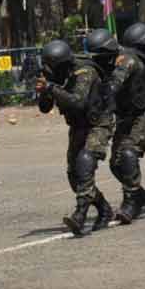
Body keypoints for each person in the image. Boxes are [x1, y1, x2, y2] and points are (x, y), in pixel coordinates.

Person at [35, 39, 114, 235]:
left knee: (85, 162)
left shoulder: (85, 72)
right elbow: (44, 108)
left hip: (98, 124)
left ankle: (80, 214)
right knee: (74, 175)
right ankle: (104, 209)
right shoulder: (55, 75)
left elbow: (78, 102)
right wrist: (44, 91)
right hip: (78, 126)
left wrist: (51, 87)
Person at [89, 24, 145, 224]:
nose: (98, 59)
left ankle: (131, 202)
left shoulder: (126, 59)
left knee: (129, 152)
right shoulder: (108, 61)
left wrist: (100, 95)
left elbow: (115, 82)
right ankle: (139, 194)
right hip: (127, 115)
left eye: (101, 54)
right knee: (116, 163)